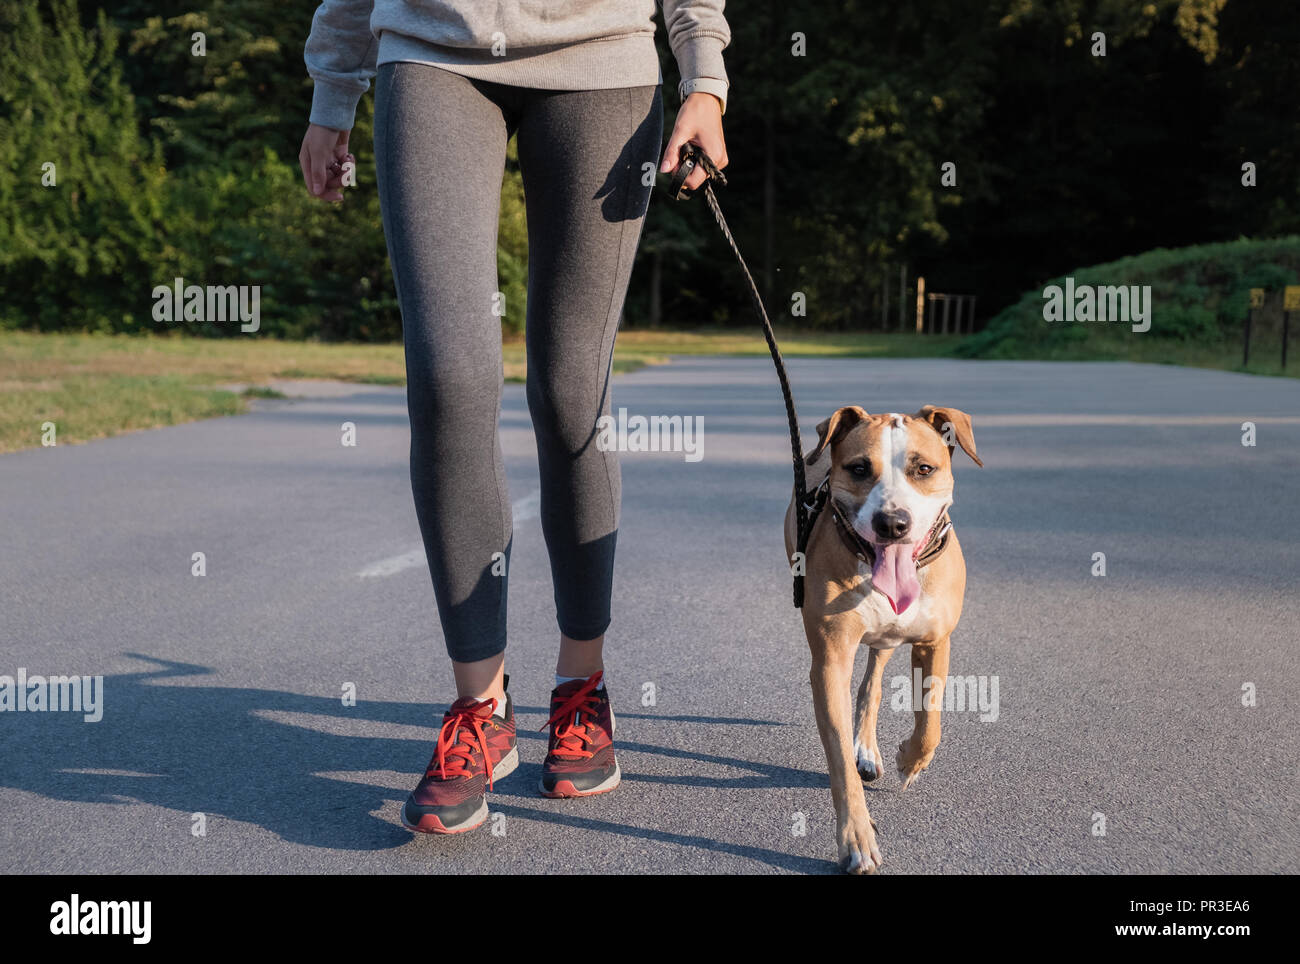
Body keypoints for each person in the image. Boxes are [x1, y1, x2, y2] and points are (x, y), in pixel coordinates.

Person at [300, 1, 730, 834]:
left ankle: (581, 691)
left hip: (602, 59)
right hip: (432, 52)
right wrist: (331, 92)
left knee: (572, 390)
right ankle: (480, 711)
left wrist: (703, 77)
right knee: (448, 379)